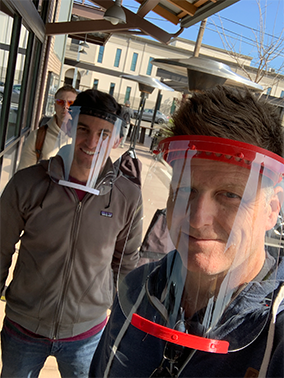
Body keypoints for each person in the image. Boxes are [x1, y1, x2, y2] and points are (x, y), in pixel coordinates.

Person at [89, 86, 284, 378]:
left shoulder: (276, 336)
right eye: (185, 190)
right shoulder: (139, 289)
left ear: (271, 208)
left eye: (229, 195)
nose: (196, 219)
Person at [0, 89, 143, 378]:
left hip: (87, 335)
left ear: (117, 140)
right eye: (83, 129)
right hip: (23, 328)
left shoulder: (127, 197)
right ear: (69, 127)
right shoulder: (28, 183)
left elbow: (126, 264)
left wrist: (122, 321)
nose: (92, 142)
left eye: (104, 134)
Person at [17, 84, 77, 170]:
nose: (65, 106)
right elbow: (24, 174)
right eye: (60, 102)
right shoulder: (37, 137)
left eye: (71, 103)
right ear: (54, 105)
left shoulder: (82, 138)